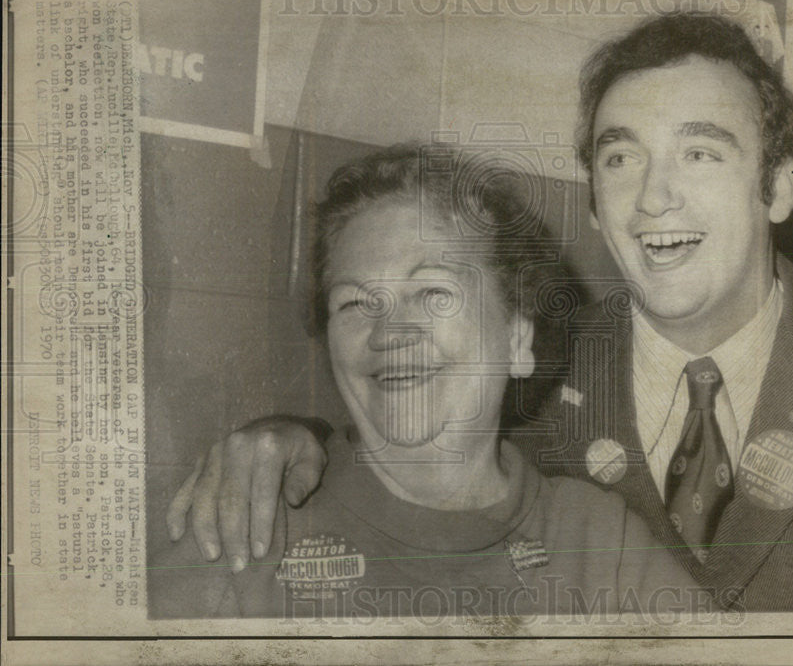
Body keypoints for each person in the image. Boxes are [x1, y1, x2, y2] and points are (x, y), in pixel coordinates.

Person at [166, 12, 793, 611]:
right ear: (597, 209)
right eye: (620, 157)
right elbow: (415, 419)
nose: (655, 195)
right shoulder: (536, 379)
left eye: (700, 153)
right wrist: (287, 437)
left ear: (780, 188)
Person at [149, 143, 706, 619]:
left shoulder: (596, 542)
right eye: (355, 303)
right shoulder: (246, 522)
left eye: (434, 293)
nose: (390, 331)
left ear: (516, 340)